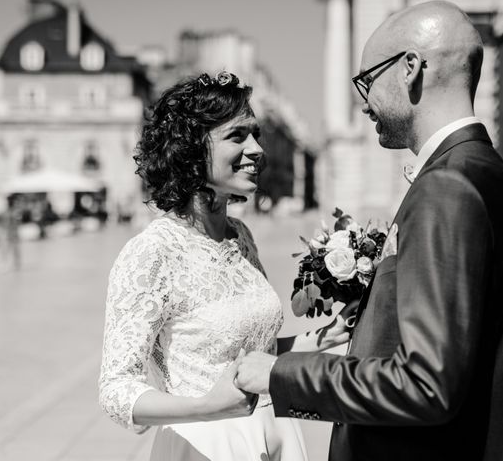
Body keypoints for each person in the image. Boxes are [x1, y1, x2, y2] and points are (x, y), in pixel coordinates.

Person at [235, 1, 503, 461]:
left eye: (367, 80)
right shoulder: (493, 175)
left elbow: (425, 384)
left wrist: (281, 375)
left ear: (410, 69)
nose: (362, 103)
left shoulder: (446, 187)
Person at [98, 71, 353, 461]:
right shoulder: (151, 252)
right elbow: (116, 390)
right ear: (191, 150)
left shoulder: (240, 235)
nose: (256, 149)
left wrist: (330, 333)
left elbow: (255, 352)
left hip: (278, 431)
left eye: (255, 134)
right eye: (237, 136)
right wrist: (209, 407)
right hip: (207, 445)